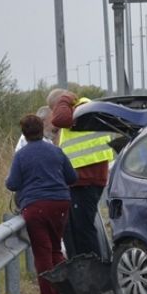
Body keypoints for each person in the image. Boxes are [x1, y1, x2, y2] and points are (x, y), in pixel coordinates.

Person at [6, 115, 77, 294]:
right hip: (61, 204)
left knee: (42, 252)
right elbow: (72, 177)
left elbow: (12, 183)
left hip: (35, 206)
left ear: (24, 134)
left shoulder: (21, 156)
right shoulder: (56, 151)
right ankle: (65, 293)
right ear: (41, 130)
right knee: (56, 248)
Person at [47, 89, 113, 258]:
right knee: (76, 228)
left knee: (84, 229)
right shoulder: (81, 112)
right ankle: (82, 266)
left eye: (54, 108)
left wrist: (64, 99)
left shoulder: (82, 110)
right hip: (82, 180)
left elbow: (59, 119)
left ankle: (93, 269)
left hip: (87, 180)